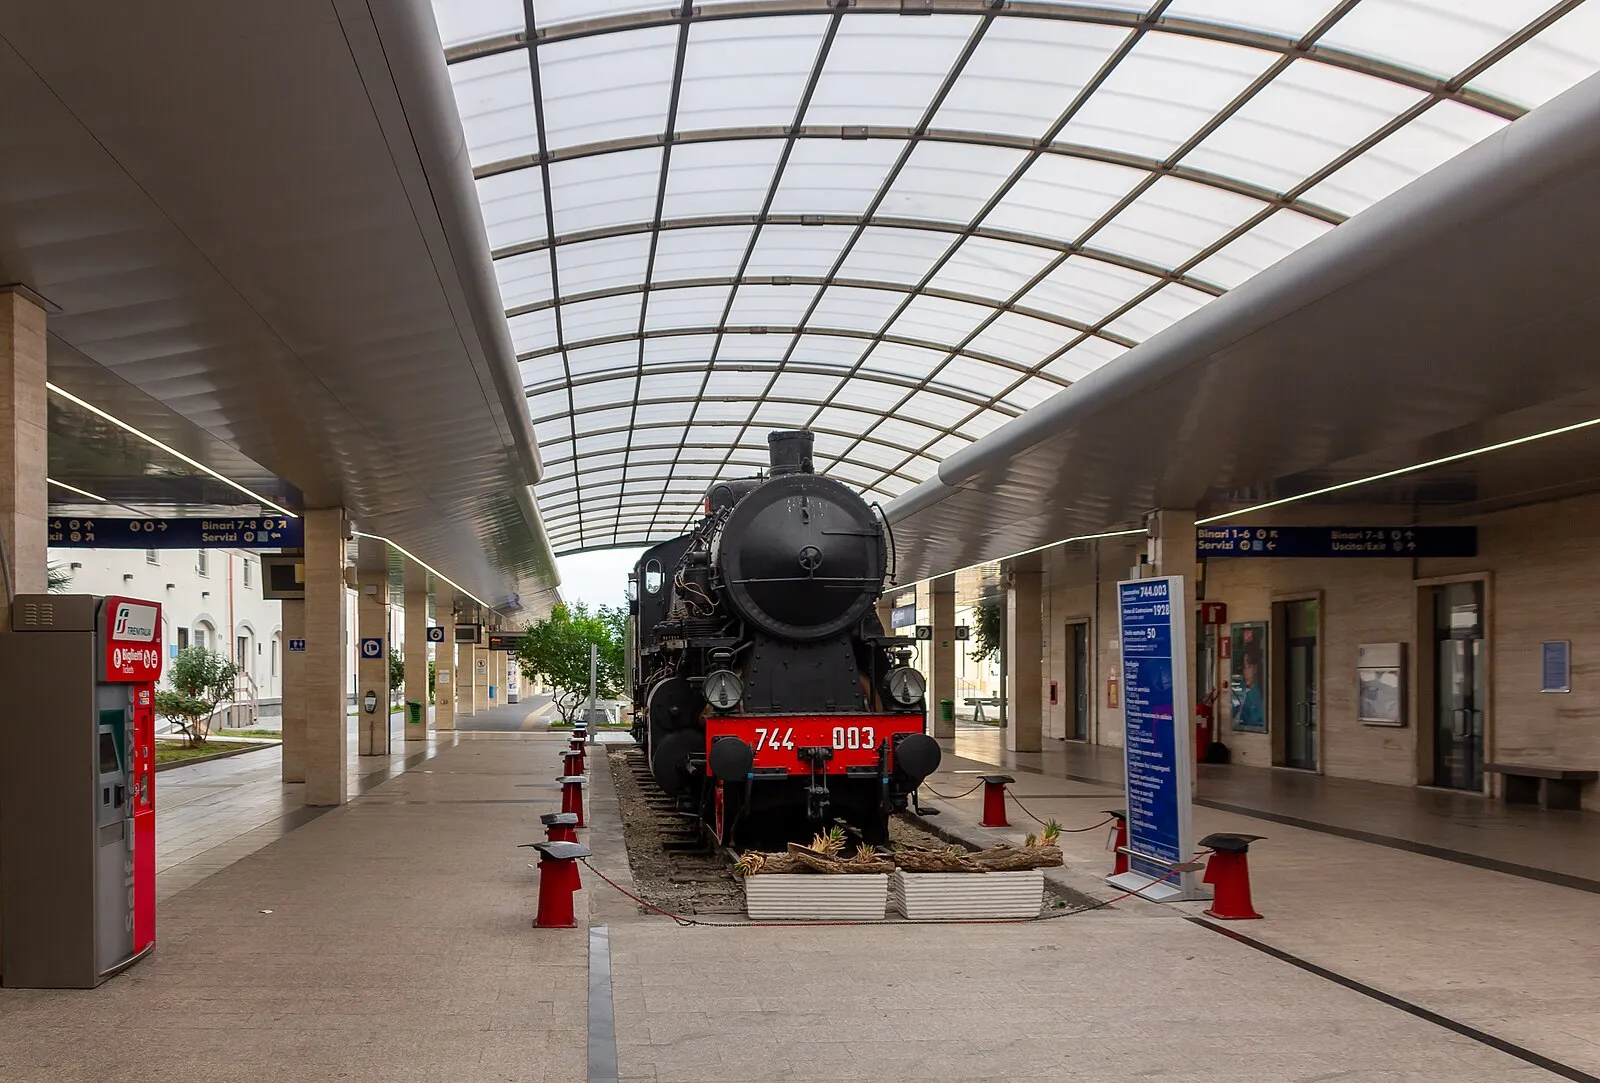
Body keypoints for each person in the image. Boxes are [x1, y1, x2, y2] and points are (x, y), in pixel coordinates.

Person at [1233, 637, 1265, 730]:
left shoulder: (1260, 692)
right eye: (1244, 667)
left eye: (1249, 667)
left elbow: (1257, 720)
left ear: (1256, 669)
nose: (1246, 672)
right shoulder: (1240, 689)